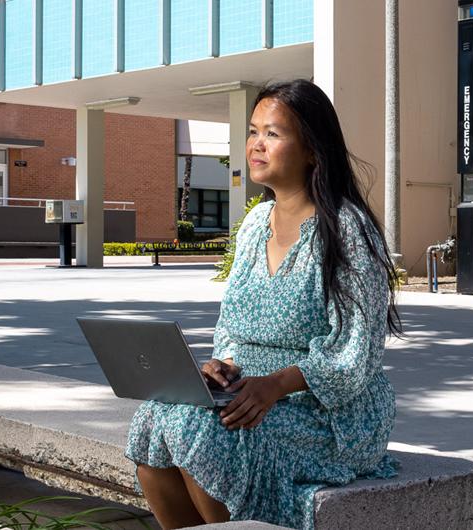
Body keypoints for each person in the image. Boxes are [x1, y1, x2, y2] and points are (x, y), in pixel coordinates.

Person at [124, 79, 404, 529]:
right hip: (249, 394)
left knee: (199, 432)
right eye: (254, 131)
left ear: (312, 149)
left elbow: (357, 354)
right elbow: (232, 323)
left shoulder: (347, 229)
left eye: (273, 134)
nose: (256, 145)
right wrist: (224, 365)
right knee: (156, 418)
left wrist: (274, 385)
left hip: (329, 413)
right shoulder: (255, 222)